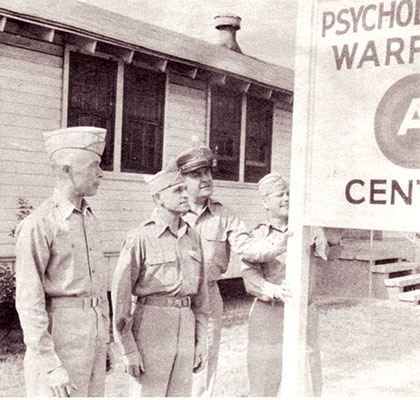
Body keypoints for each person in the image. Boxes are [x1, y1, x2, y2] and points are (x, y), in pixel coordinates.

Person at [175, 146, 289, 397]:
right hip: (170, 300)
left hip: (207, 297)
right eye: (197, 175)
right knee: (167, 366)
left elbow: (249, 249)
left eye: (207, 173)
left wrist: (281, 242)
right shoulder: (172, 212)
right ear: (182, 180)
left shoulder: (224, 215)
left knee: (203, 367)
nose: (206, 179)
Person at [15, 126, 114, 397]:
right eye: (94, 165)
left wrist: (104, 342)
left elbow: (98, 287)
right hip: (59, 339)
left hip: (92, 336)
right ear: (66, 170)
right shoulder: (39, 224)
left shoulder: (89, 219)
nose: (101, 173)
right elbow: (28, 300)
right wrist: (49, 365)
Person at [112, 160, 209, 397]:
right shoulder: (140, 237)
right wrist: (128, 350)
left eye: (186, 188)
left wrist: (200, 342)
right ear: (158, 199)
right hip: (151, 328)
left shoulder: (192, 237)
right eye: (178, 190)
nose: (186, 194)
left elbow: (201, 298)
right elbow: (121, 299)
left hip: (185, 327)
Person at [241, 172, 329, 397]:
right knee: (264, 379)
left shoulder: (309, 228)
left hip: (304, 312)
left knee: (308, 379)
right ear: (265, 202)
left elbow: (324, 253)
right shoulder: (257, 235)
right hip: (269, 314)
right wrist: (273, 290)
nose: (287, 199)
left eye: (289, 193)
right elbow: (250, 278)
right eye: (280, 195)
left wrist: (319, 236)